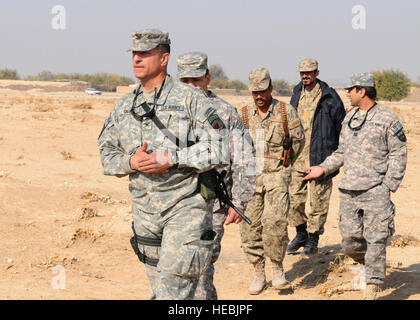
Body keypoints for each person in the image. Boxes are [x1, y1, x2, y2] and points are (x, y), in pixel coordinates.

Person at [97, 29, 227, 300]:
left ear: (164, 58)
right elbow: (106, 154)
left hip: (185, 208)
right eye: (134, 54)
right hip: (145, 214)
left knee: (171, 292)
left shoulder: (191, 99)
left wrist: (173, 158)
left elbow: (220, 145)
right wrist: (131, 161)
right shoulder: (124, 106)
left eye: (145, 53)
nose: (137, 59)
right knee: (159, 291)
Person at [303, 73, 407, 300]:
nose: (347, 93)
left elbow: (399, 154)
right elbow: (341, 152)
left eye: (351, 89)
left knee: (376, 238)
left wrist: (388, 185)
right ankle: (370, 264)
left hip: (375, 190)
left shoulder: (388, 120)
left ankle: (373, 284)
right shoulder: (349, 119)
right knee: (350, 242)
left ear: (363, 91)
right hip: (349, 190)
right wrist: (323, 168)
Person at [177, 52, 256, 300]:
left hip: (211, 203)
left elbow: (246, 161)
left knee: (201, 270)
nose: (191, 86)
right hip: (173, 204)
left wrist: (240, 201)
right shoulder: (167, 112)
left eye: (196, 80)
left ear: (207, 79)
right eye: (185, 81)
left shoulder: (226, 113)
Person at [239, 68, 305, 295]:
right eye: (254, 92)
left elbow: (298, 144)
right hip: (250, 179)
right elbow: (238, 148)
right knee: (249, 228)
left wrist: (283, 167)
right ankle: (259, 273)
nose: (258, 96)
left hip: (277, 176)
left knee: (275, 222)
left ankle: (276, 267)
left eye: (262, 91)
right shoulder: (245, 115)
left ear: (270, 88)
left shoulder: (286, 112)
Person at [287, 58, 346, 256]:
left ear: (317, 73)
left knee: (318, 202)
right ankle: (301, 233)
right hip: (297, 158)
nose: (305, 76)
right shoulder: (296, 93)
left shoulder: (329, 97)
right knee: (294, 200)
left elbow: (341, 126)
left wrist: (334, 153)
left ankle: (313, 239)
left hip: (320, 157)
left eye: (309, 72)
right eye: (302, 73)